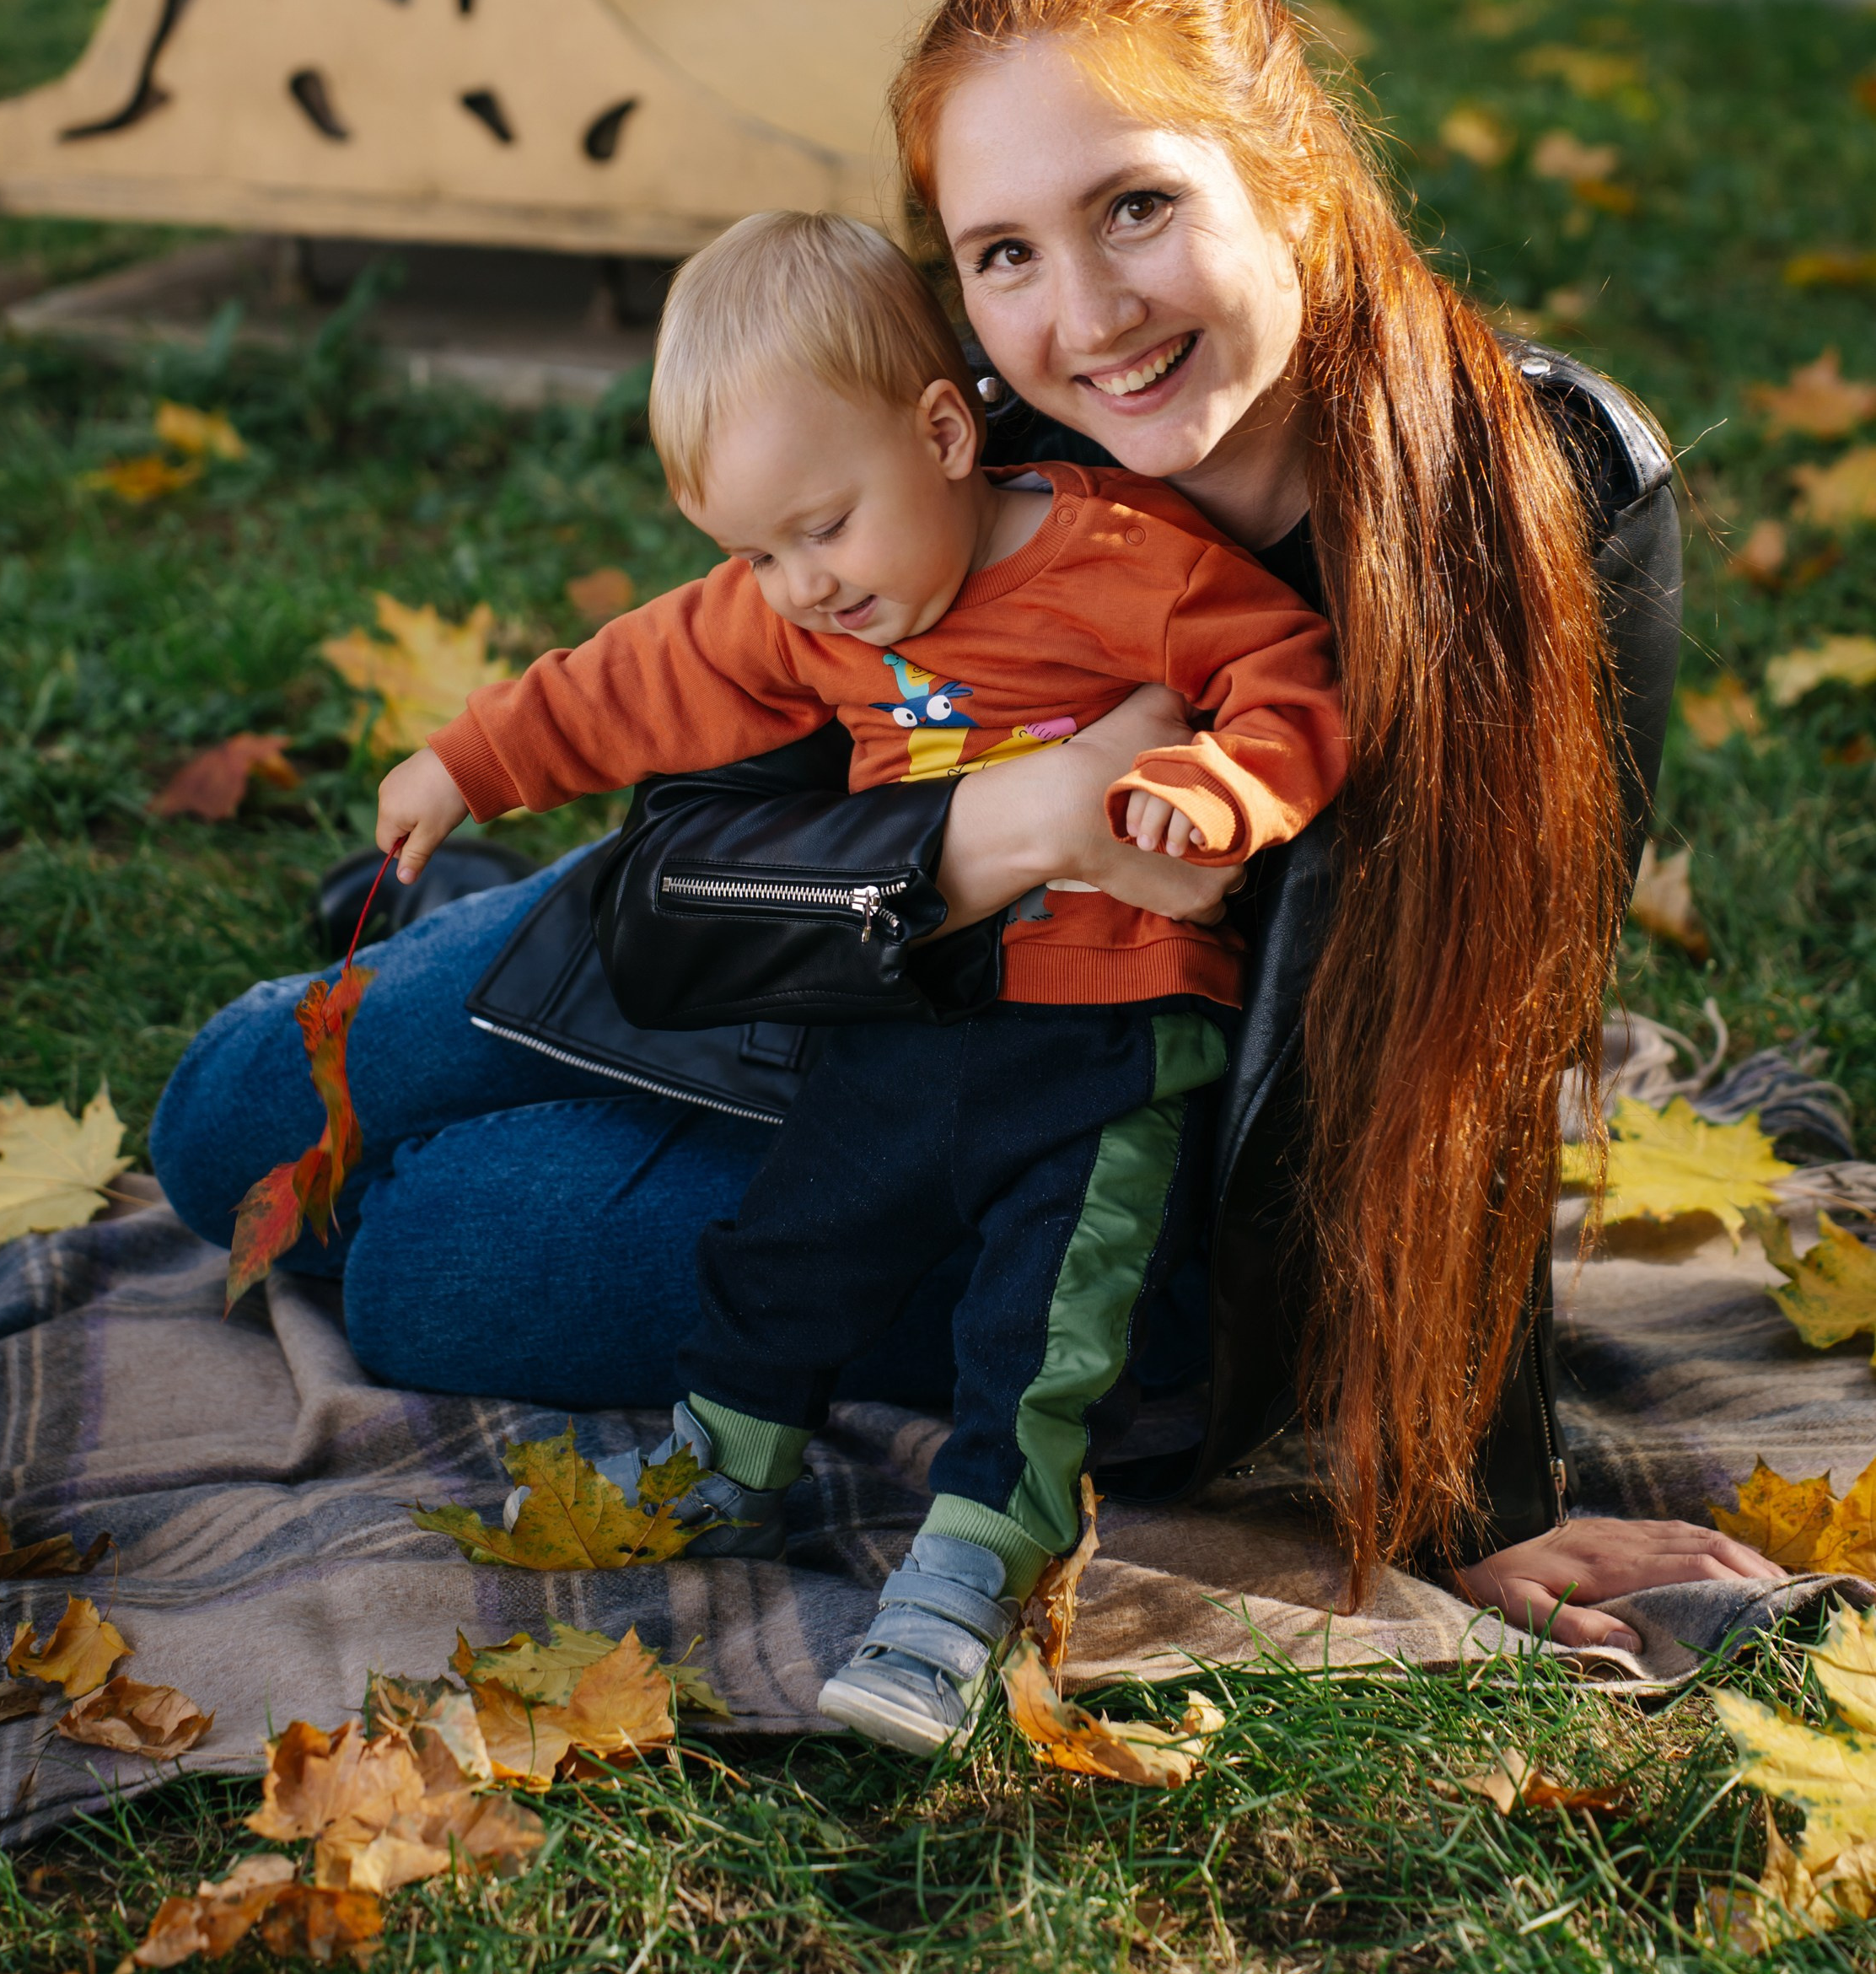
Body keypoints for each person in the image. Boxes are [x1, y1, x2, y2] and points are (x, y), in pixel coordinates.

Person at [123, 0, 1784, 1663]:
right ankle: (482, 963)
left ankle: (548, 1083)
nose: (1084, 315)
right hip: (798, 960)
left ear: (1292, 181)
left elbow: (1491, 1016)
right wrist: (1027, 816)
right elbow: (688, 879)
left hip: (1088, 1168)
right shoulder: (971, 432)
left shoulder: (1537, 492)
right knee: (225, 1125)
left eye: (1137, 205)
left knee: (419, 1258)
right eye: (1003, 251)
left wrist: (1484, 1495)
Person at [374, 208, 1346, 1750]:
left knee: (1042, 1322)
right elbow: (632, 675)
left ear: (946, 432)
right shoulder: (804, 610)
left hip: (1107, 1035)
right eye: (754, 551)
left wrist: (1223, 788)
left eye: (820, 529)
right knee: (795, 1237)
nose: (799, 585)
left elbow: (1286, 673)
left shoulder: (1125, 565)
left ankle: (968, 1571)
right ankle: (728, 1462)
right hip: (912, 1001)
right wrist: (468, 761)